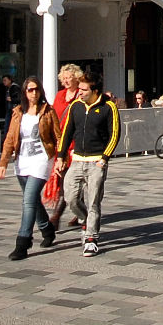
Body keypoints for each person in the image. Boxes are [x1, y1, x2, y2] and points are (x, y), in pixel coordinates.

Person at [54, 73, 120, 256]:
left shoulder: (108, 107)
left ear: (94, 91)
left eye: (84, 90)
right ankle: (85, 220)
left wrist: (104, 158)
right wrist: (60, 157)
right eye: (80, 89)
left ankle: (91, 238)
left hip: (96, 161)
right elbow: (67, 132)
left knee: (93, 201)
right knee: (71, 198)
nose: (80, 93)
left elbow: (115, 133)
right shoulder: (75, 106)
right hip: (76, 160)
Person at [0, 77, 59, 259]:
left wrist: (60, 159)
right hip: (22, 161)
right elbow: (10, 139)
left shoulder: (48, 111)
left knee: (29, 200)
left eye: (36, 89)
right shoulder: (18, 112)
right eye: (30, 90)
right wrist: (3, 163)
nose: (34, 93)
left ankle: (23, 243)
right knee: (31, 200)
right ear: (24, 92)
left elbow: (58, 135)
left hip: (41, 159)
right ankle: (47, 229)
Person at [48, 63, 85, 229]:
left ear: (77, 78)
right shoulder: (60, 95)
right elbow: (54, 117)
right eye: (64, 78)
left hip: (76, 143)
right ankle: (80, 211)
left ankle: (56, 216)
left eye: (69, 77)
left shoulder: (82, 96)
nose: (66, 81)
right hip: (61, 143)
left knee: (69, 182)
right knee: (65, 180)